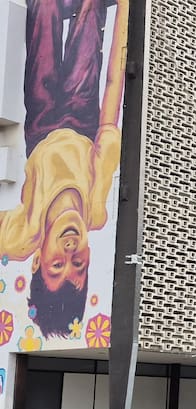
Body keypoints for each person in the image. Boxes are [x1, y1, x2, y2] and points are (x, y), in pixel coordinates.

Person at [1, 0, 128, 338]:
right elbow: (114, 92)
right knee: (88, 26)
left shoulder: (22, 234)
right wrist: (128, 11)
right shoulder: (97, 209)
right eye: (80, 265)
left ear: (38, 261)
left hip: (40, 124)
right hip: (80, 113)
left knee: (42, 16)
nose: (71, 254)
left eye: (58, 265)